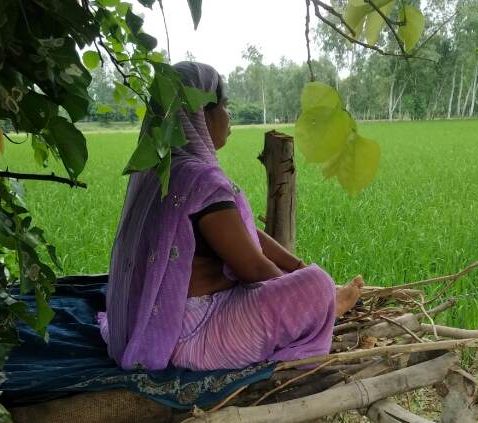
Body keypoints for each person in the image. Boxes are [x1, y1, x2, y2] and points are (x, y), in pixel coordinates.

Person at [98, 61, 362, 371]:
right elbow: (253, 267)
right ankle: (330, 305)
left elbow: (242, 234)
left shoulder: (162, 169)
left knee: (310, 277)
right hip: (192, 335)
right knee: (316, 285)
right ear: (201, 114)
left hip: (159, 320)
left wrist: (297, 268)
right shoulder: (200, 180)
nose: (229, 115)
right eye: (224, 106)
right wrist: (316, 300)